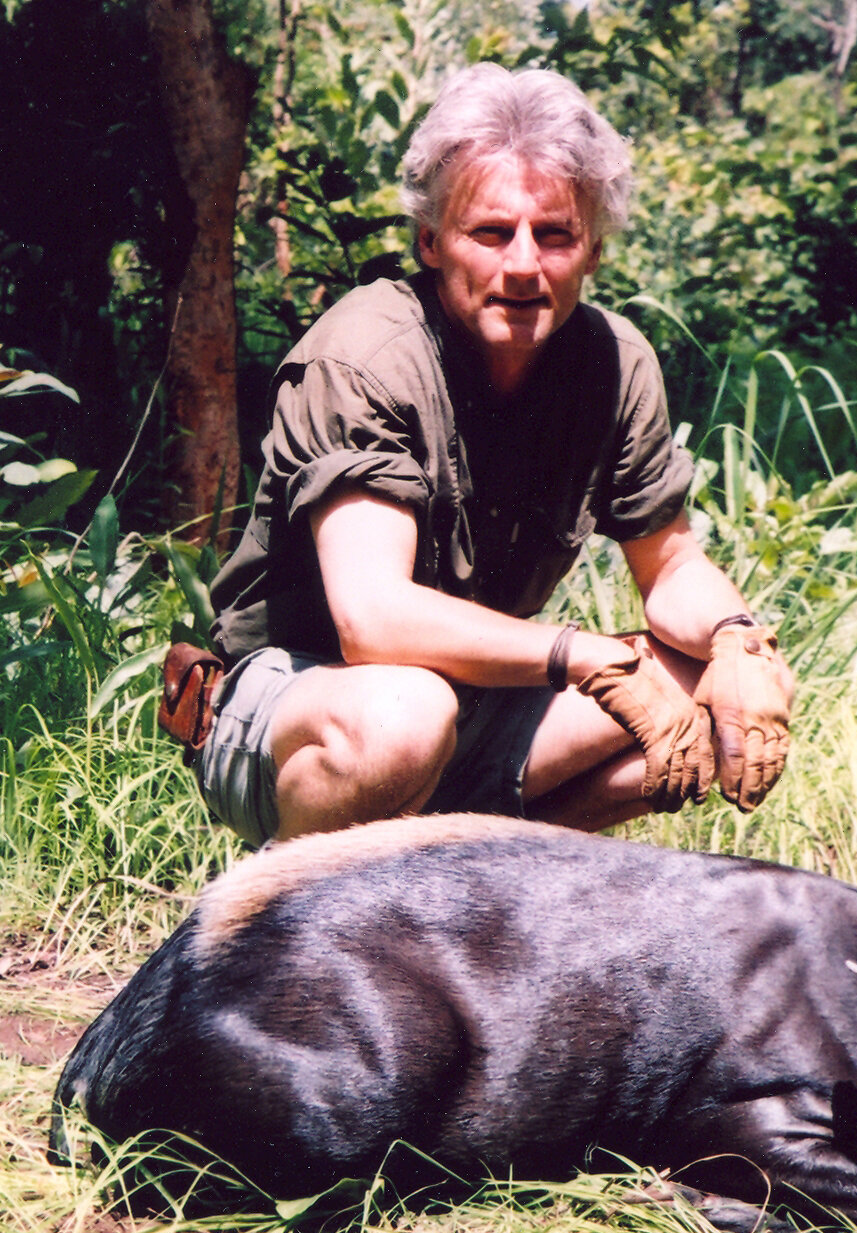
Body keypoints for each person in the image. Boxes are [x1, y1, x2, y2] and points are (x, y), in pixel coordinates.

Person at [192, 63, 793, 849]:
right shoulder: (368, 355)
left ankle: (462, 883)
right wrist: (585, 657)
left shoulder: (613, 363)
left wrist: (736, 638)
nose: (521, 264)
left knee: (723, 692)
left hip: (470, 699)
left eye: (553, 235)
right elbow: (371, 619)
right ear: (430, 242)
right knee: (404, 716)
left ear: (593, 252)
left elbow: (671, 563)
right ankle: (283, 926)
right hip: (298, 705)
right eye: (489, 232)